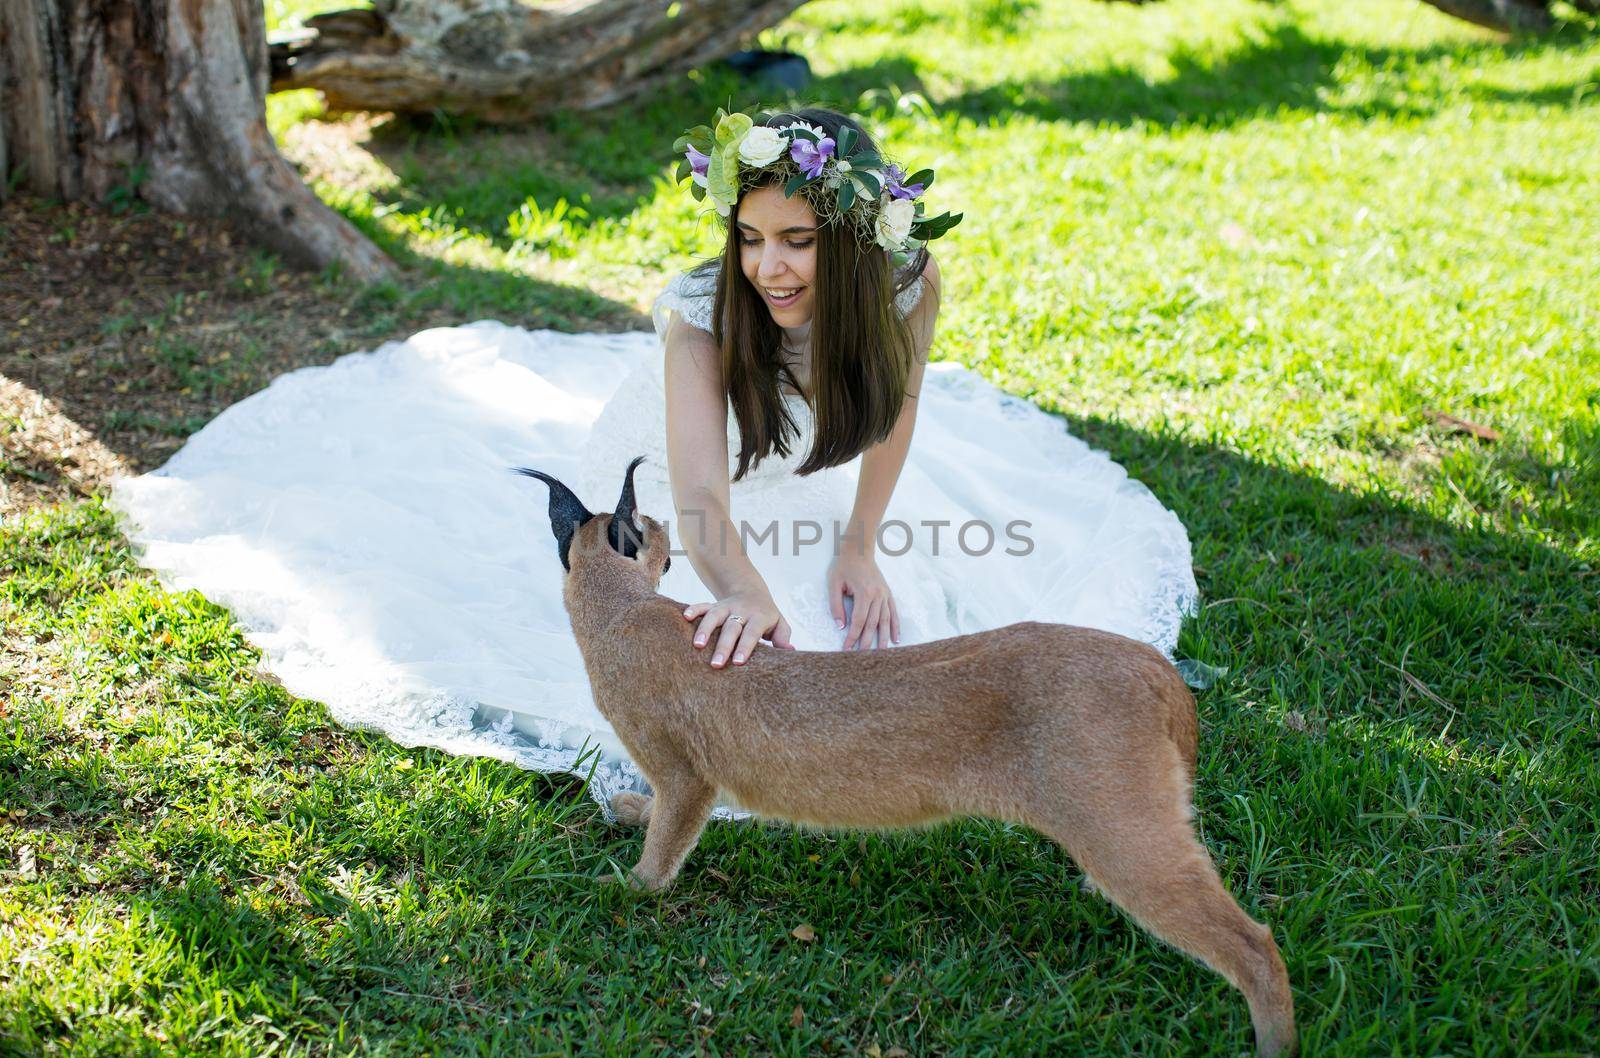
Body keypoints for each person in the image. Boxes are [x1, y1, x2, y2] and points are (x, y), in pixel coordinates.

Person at [110, 103, 1198, 813]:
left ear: (861, 246)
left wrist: (862, 542)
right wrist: (750, 596)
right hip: (670, 498)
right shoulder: (701, 320)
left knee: (875, 644)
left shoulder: (906, 288)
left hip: (800, 479)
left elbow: (891, 412)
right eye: (749, 236)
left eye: (799, 242)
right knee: (737, 674)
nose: (767, 266)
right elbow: (695, 494)